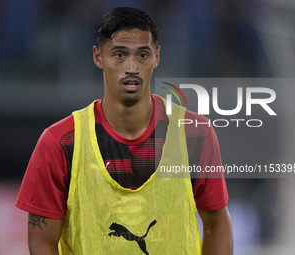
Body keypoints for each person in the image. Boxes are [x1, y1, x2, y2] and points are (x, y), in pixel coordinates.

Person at [16, 7, 233, 255]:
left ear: (157, 57)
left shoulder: (195, 135)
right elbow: (42, 241)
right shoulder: (60, 142)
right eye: (119, 54)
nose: (131, 67)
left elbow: (217, 224)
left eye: (142, 54)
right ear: (98, 57)